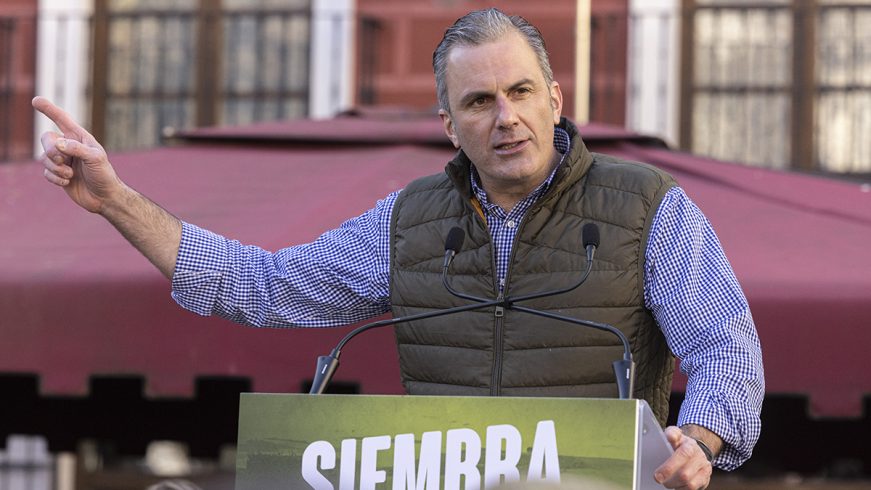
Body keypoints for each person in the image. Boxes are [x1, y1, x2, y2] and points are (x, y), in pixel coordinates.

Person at [33, 8, 763, 490]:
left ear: (555, 99)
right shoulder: (407, 222)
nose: (505, 118)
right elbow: (256, 286)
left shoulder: (646, 206)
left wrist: (695, 439)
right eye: (479, 102)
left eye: (520, 92)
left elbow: (725, 349)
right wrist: (114, 200)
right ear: (450, 125)